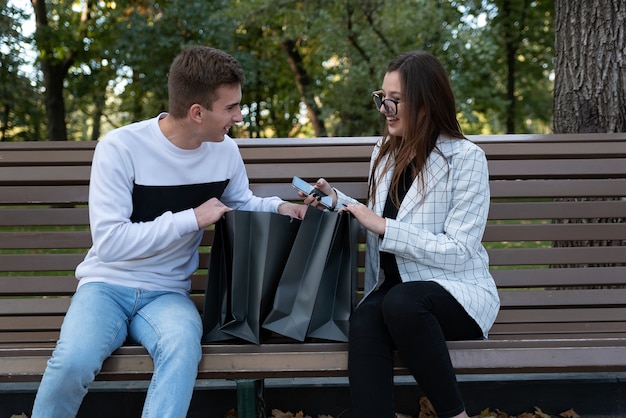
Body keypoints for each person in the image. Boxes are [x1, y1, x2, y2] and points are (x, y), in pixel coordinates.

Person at [31, 45, 306, 418]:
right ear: (197, 113)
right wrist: (189, 218)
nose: (239, 117)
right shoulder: (121, 148)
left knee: (182, 349)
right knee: (72, 362)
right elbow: (110, 243)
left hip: (167, 294)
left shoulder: (223, 150)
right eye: (230, 108)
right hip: (106, 286)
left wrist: (282, 207)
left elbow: (239, 201)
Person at [302, 50, 500, 418]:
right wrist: (336, 201)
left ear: (426, 104)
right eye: (382, 98)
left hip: (454, 292)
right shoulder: (384, 152)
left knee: (402, 303)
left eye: (394, 101)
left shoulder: (466, 158)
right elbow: (379, 215)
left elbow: (459, 249)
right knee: (365, 318)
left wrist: (384, 227)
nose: (384, 109)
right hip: (396, 290)